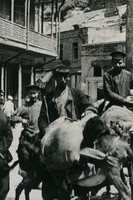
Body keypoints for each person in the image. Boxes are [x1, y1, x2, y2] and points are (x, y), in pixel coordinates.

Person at [38, 65, 97, 200]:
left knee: (83, 160)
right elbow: (42, 118)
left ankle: (84, 187)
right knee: (42, 160)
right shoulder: (49, 97)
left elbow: (88, 105)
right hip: (55, 136)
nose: (63, 80)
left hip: (73, 136)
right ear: (56, 78)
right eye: (59, 77)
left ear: (69, 78)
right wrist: (45, 130)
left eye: (65, 77)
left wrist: (88, 111)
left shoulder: (76, 94)